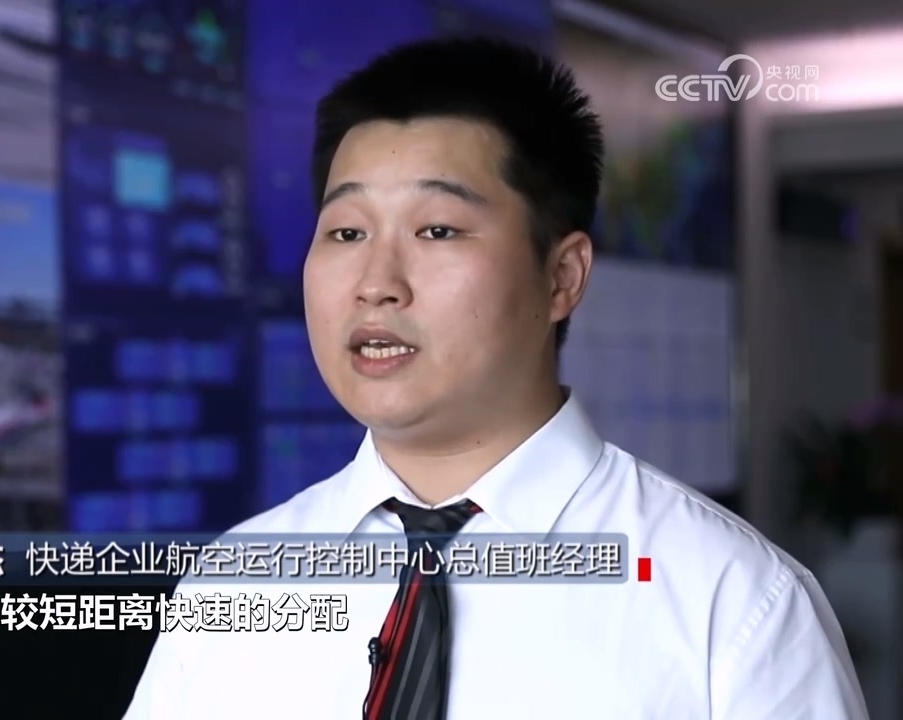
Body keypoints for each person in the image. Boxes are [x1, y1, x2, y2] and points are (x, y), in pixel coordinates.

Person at [125, 37, 869, 719]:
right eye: (346, 232)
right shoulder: (234, 583)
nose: (376, 283)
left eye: (437, 230)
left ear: (562, 276)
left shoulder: (732, 605)